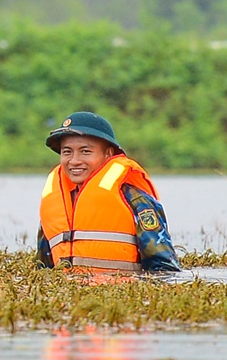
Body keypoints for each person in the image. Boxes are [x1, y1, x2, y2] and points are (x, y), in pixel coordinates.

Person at [37, 111, 182, 275]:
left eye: (85, 151)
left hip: (121, 295)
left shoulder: (134, 199)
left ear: (108, 154)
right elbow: (43, 271)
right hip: (68, 298)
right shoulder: (58, 204)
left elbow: (166, 270)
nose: (74, 161)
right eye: (67, 152)